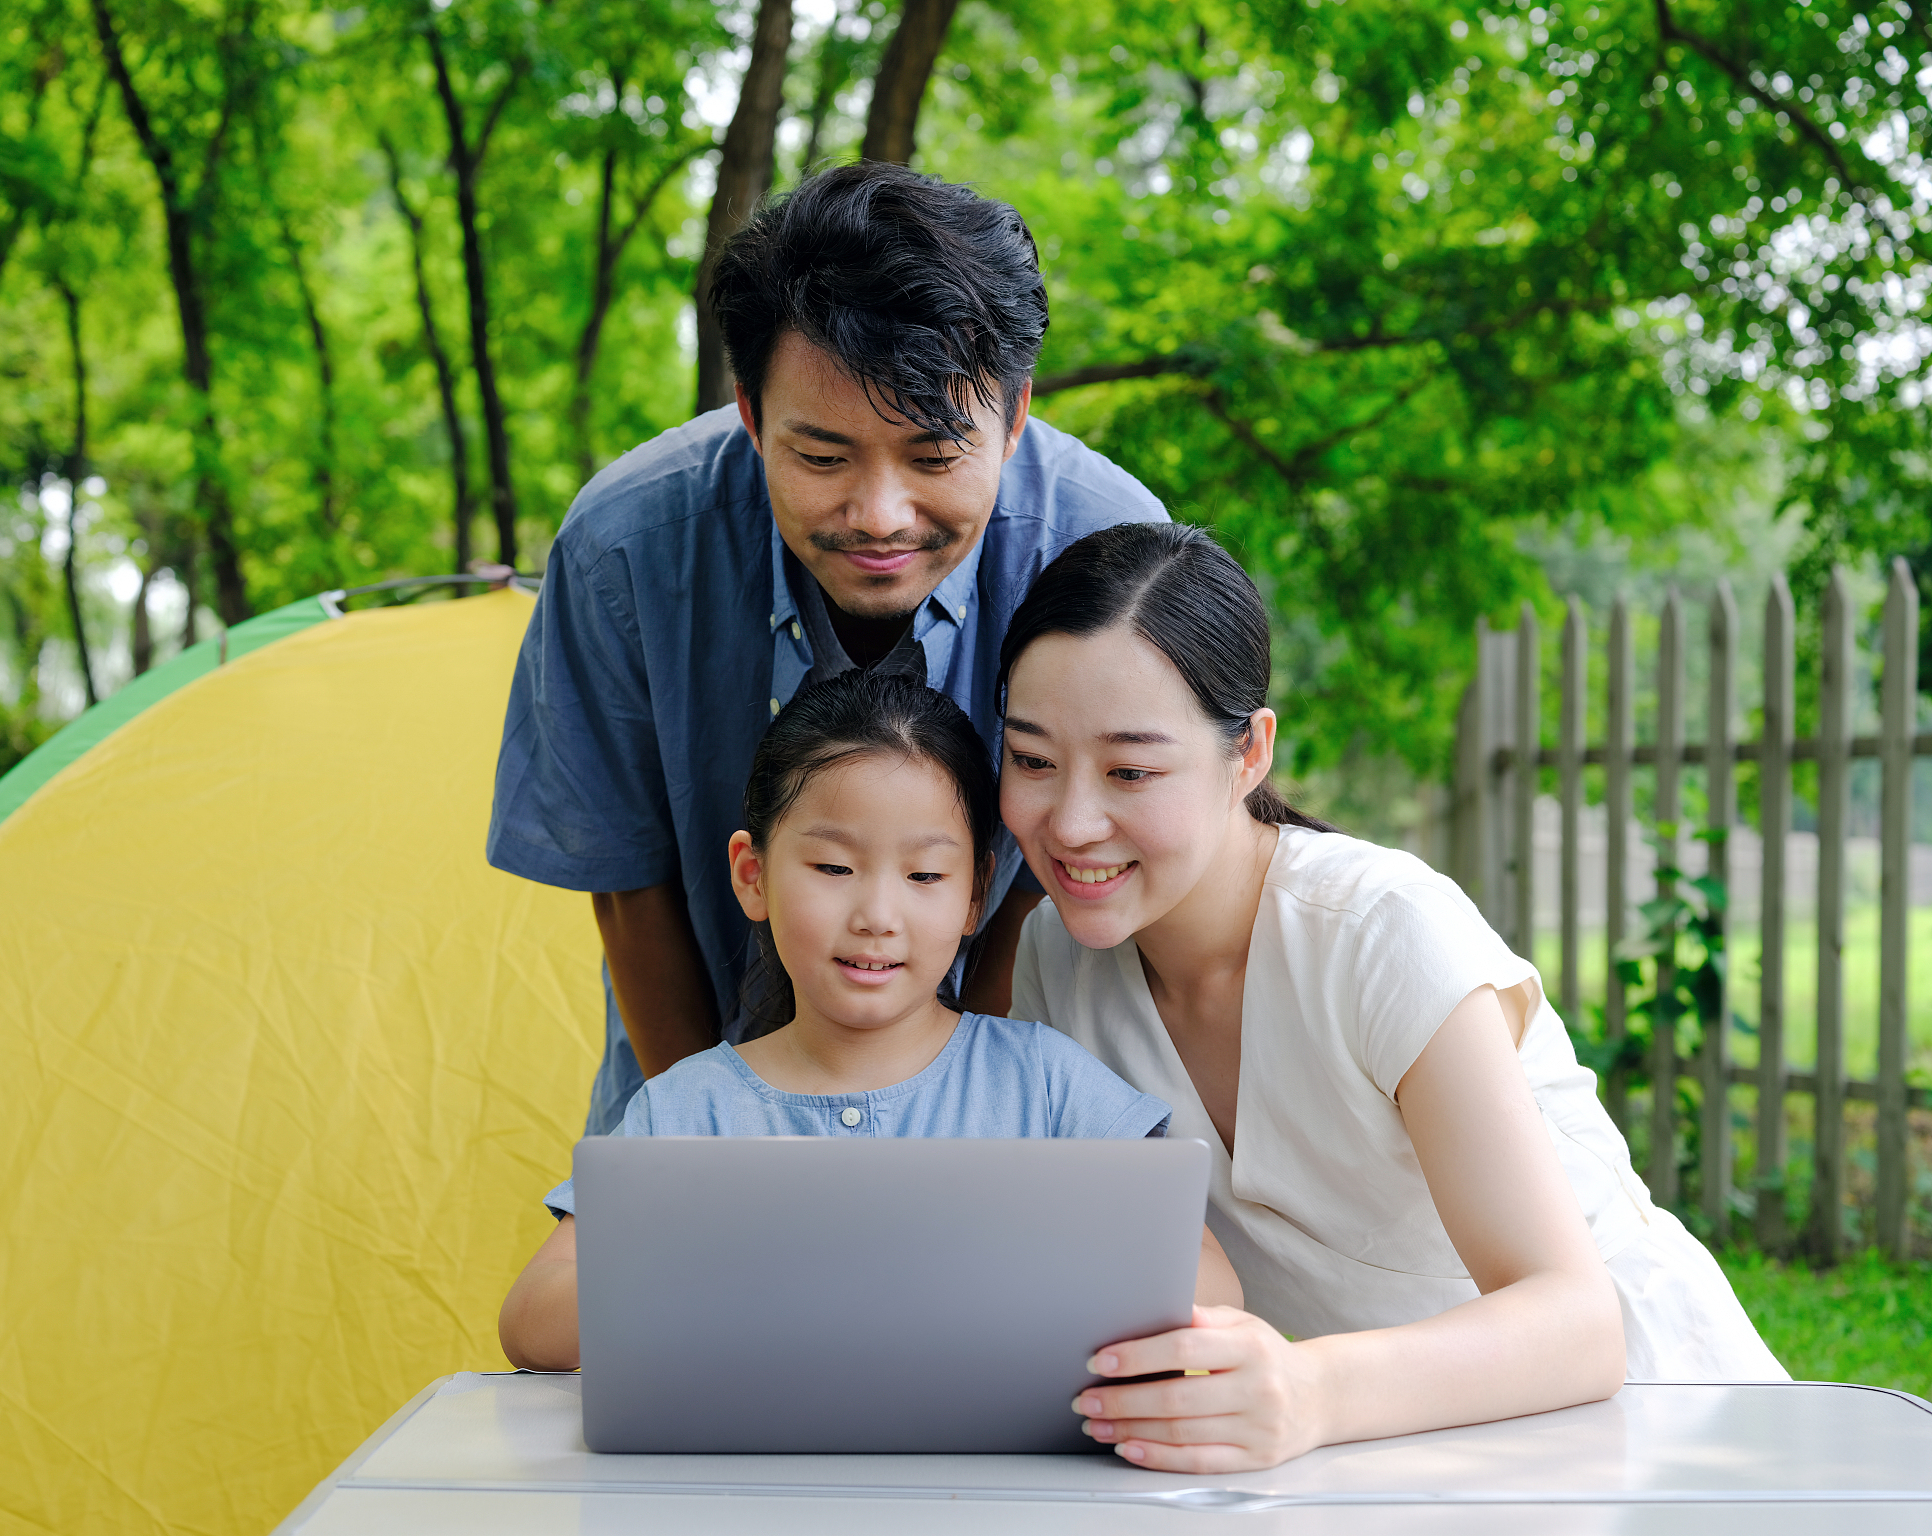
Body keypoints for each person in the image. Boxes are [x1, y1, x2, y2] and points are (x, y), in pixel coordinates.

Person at [998, 521, 1786, 1473]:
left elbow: (1582, 1322)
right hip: (1373, 1461)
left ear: (1249, 754)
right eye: (1033, 760)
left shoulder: (1380, 929)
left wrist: (1309, 1391)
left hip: (1646, 1427)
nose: (1073, 822)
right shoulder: (1056, 960)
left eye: (1131, 771)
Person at [486, 163, 1166, 1135]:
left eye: (933, 457)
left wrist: (948, 1131)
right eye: (820, 458)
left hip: (1020, 1116)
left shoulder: (1107, 553)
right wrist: (721, 1148)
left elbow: (1066, 874)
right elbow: (630, 892)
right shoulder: (623, 551)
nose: (880, 516)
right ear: (750, 416)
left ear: (1014, 417)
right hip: (695, 1107)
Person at [498, 672, 1241, 1370]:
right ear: (752, 875)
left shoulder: (1043, 1084)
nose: (878, 917)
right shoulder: (687, 1110)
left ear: (975, 894)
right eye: (832, 868)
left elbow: (1211, 1283)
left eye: (924, 876)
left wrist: (1025, 1286)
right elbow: (531, 1320)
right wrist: (731, 1280)